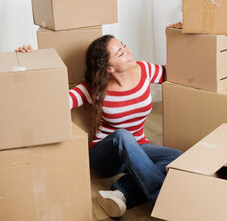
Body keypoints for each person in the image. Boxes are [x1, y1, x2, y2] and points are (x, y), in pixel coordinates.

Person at [16, 23, 183, 218]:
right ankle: (163, 200)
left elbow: (178, 72)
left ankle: (121, 192)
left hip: (138, 148)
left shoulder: (144, 70)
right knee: (122, 135)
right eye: (121, 53)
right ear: (108, 67)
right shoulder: (94, 89)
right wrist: (30, 62)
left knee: (177, 157)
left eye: (125, 46)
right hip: (105, 156)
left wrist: (182, 36)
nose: (129, 52)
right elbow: (55, 101)